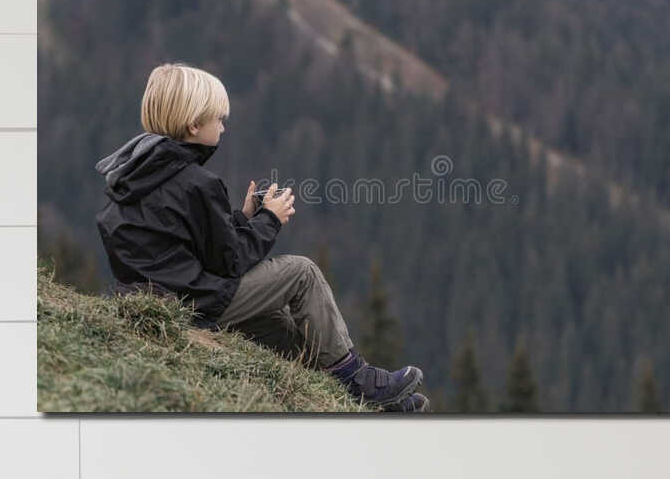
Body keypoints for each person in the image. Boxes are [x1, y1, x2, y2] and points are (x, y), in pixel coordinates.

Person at [94, 62, 426, 412]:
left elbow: (191, 246)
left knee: (279, 325)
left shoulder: (134, 175)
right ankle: (359, 381)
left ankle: (356, 401)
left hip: (161, 299)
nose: (223, 126)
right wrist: (270, 218)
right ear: (194, 124)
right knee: (302, 273)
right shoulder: (195, 182)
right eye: (218, 119)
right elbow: (230, 261)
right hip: (195, 302)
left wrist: (241, 218)